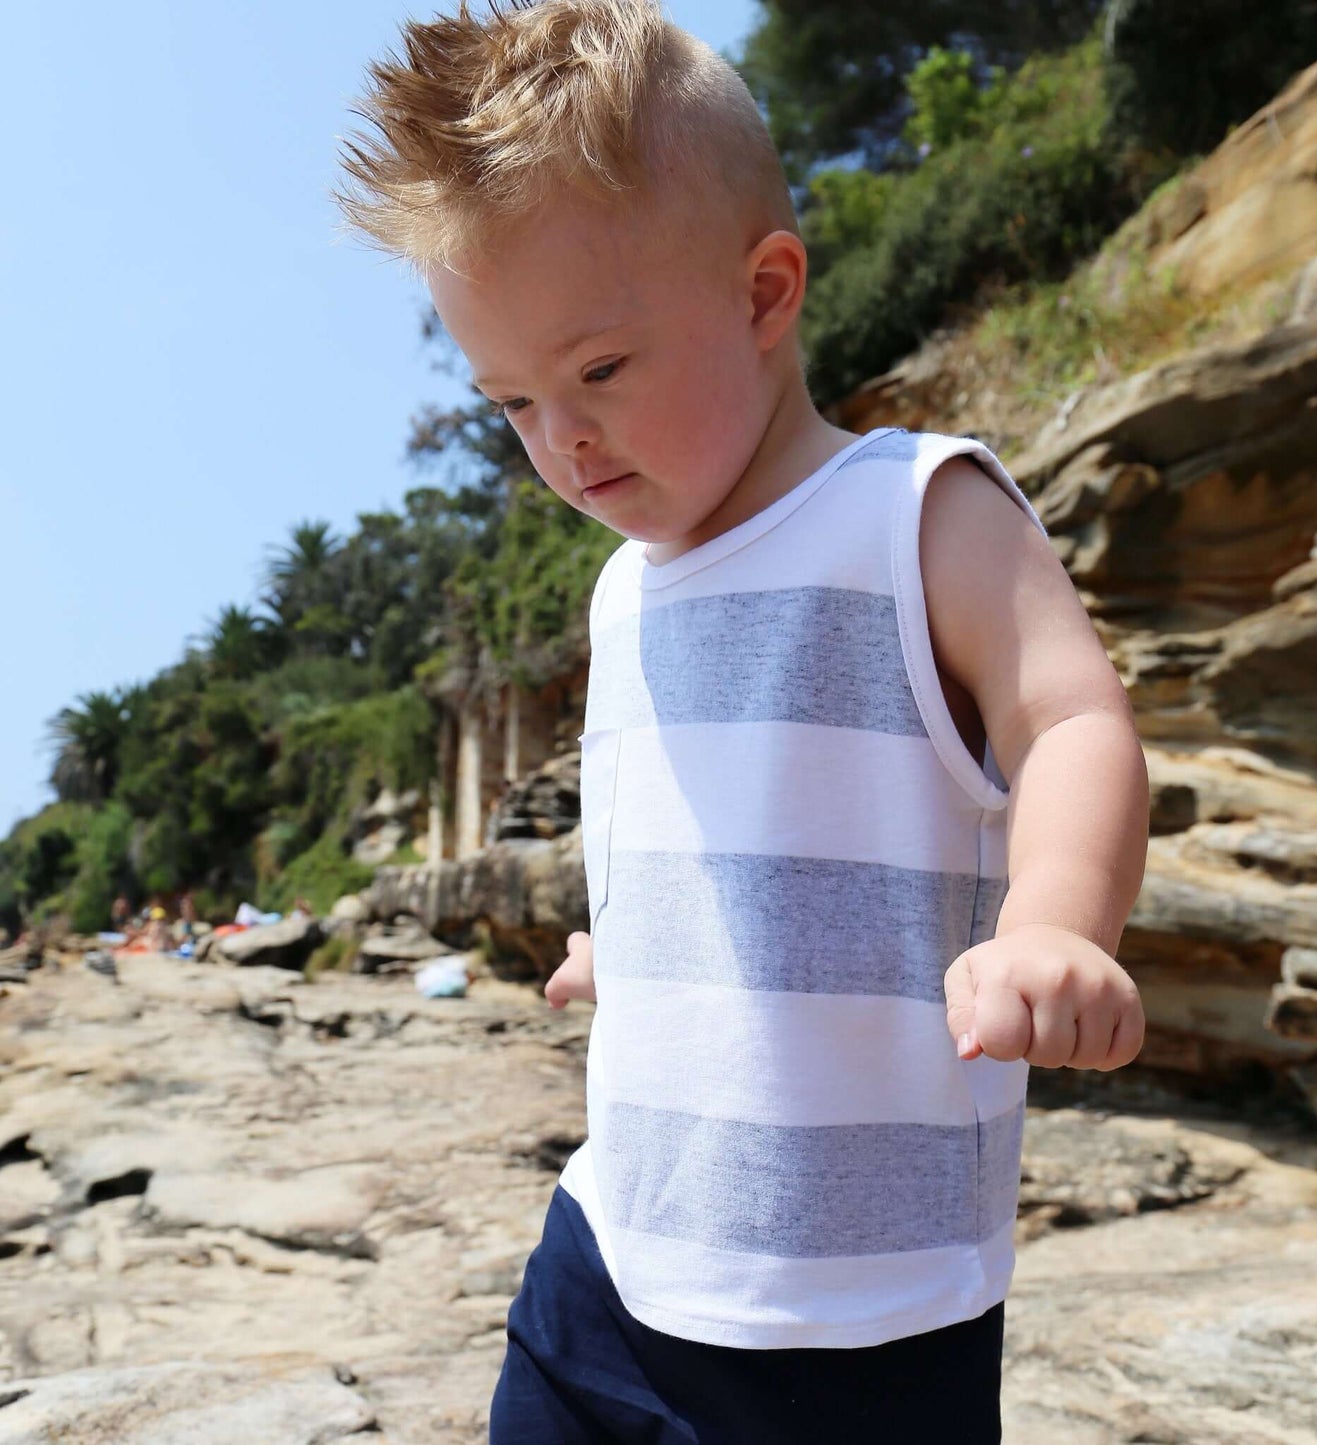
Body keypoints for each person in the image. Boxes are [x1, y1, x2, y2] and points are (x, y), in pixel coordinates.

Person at [336, 3, 1150, 1439]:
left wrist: (1056, 923)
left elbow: (1070, 719)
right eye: (511, 401)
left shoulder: (912, 509)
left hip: (863, 1308)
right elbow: (705, 821)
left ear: (764, 292)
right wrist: (638, 948)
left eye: (597, 372)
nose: (560, 443)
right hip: (610, 1245)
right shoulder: (617, 590)